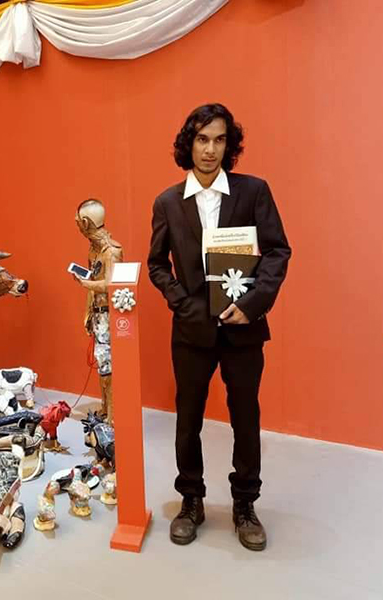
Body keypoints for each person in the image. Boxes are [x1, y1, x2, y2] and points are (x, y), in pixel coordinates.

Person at [147, 103, 291, 551]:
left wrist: (253, 305)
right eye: (202, 139)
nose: (210, 149)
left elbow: (278, 251)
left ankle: (245, 505)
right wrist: (182, 304)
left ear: (230, 145)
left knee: (245, 417)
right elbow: (156, 264)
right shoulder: (167, 202)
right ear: (188, 144)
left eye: (219, 139)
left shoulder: (254, 191)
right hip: (192, 331)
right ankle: (190, 500)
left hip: (244, 328)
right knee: (187, 418)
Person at [72, 199, 123, 423]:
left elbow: (111, 285)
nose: (77, 226)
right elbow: (96, 279)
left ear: (85, 223)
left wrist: (84, 283)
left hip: (109, 316)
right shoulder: (94, 250)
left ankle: (113, 413)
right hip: (98, 315)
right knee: (103, 365)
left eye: (78, 222)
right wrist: (88, 312)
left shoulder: (111, 251)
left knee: (108, 367)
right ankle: (105, 407)